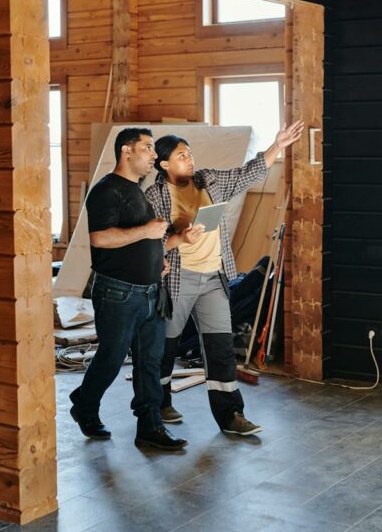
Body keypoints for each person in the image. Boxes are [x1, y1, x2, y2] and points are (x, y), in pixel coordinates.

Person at [146, 121, 305, 436]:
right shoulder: (155, 195)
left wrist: (278, 145)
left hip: (213, 277)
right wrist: (180, 236)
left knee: (219, 346)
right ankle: (158, 402)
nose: (189, 159)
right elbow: (149, 241)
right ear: (164, 164)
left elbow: (249, 173)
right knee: (166, 345)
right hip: (178, 279)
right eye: (181, 156)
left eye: (189, 154)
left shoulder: (209, 180)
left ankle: (231, 415)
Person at [68, 127, 187, 450]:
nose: (153, 155)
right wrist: (148, 232)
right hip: (118, 292)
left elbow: (141, 240)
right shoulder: (107, 190)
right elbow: (100, 238)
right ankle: (85, 405)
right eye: (147, 148)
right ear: (126, 151)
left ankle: (149, 426)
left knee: (151, 360)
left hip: (150, 291)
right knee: (111, 357)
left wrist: (157, 261)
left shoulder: (138, 189)